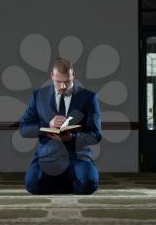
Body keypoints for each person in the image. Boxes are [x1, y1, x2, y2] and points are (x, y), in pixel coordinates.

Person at [20, 57, 101, 195]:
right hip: (47, 156)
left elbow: (95, 135)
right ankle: (67, 181)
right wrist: (47, 125)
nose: (63, 86)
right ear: (51, 76)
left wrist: (71, 138)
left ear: (73, 76)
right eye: (58, 82)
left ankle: (63, 180)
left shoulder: (89, 98)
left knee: (89, 185)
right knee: (32, 185)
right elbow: (24, 129)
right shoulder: (38, 96)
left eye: (67, 82)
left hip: (77, 156)